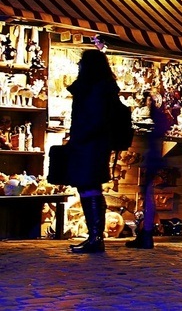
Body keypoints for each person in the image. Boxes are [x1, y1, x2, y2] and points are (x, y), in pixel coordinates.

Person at [65, 49, 119, 254]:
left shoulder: (95, 89)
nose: (78, 65)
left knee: (89, 187)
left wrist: (79, 137)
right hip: (93, 144)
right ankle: (94, 236)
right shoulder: (101, 88)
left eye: (81, 62)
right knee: (88, 187)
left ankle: (96, 237)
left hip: (90, 144)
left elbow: (95, 119)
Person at [126, 89, 172, 249]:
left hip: (153, 160)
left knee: (148, 197)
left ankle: (146, 235)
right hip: (153, 159)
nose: (148, 103)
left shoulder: (157, 118)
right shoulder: (158, 118)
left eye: (150, 101)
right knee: (148, 197)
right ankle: (145, 234)